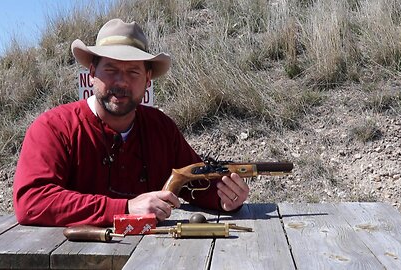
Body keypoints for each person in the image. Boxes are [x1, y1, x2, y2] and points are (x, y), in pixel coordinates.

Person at [13, 18, 249, 227]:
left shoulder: (161, 128)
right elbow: (32, 201)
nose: (122, 82)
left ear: (147, 79)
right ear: (92, 73)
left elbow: (195, 185)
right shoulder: (53, 127)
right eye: (111, 69)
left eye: (133, 72)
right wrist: (125, 208)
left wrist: (227, 199)